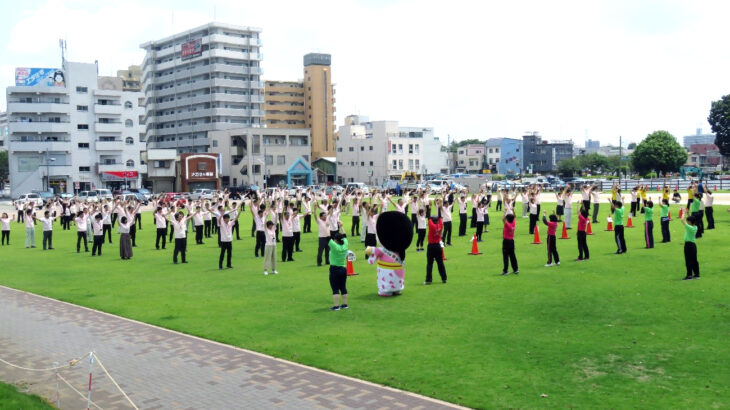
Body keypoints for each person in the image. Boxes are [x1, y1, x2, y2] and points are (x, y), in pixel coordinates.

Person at [327, 222, 349, 311]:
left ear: (336, 240)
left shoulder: (334, 246)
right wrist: (341, 226)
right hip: (343, 269)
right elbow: (345, 235)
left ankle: (336, 306)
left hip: (334, 269)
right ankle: (345, 304)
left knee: (335, 288)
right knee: (343, 287)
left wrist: (327, 226)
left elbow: (327, 237)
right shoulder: (345, 244)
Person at [425, 215, 447, 284]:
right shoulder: (440, 225)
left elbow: (429, 219)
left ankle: (428, 280)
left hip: (431, 246)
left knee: (429, 264)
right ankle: (444, 278)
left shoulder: (432, 226)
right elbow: (440, 219)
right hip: (438, 246)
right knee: (440, 263)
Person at [681, 214, 700, 280]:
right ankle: (697, 274)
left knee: (688, 260)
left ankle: (689, 275)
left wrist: (683, 212)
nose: (687, 222)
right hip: (693, 245)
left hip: (688, 245)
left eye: (688, 221)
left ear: (690, 222)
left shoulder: (690, 228)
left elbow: (682, 220)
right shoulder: (695, 227)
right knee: (694, 260)